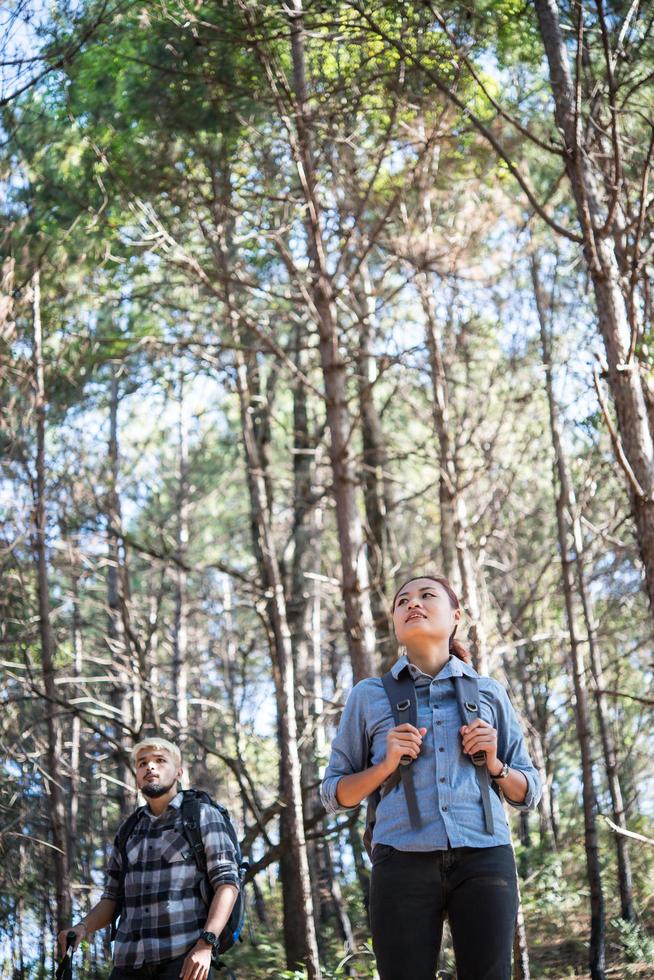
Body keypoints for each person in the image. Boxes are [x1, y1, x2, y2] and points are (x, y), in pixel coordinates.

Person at [321, 574, 542, 980]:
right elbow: (334, 792)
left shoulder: (489, 692)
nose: (412, 604)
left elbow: (530, 791)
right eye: (402, 601)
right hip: (400, 859)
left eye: (426, 596)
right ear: (395, 624)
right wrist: (384, 765)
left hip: (485, 855)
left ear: (455, 616)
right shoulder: (368, 695)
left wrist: (495, 764)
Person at [58, 737, 240, 980]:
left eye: (160, 761)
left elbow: (227, 884)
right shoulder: (128, 830)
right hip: (127, 964)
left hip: (184, 961)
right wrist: (82, 927)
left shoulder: (202, 816)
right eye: (142, 763)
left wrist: (206, 944)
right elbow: (111, 898)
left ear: (178, 773)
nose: (150, 767)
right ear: (136, 775)